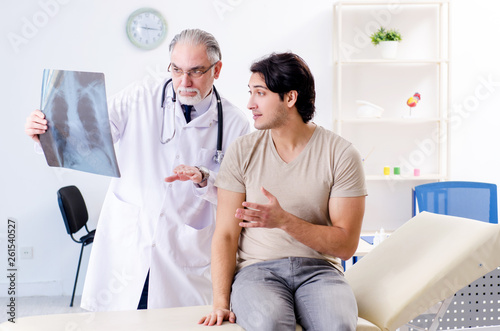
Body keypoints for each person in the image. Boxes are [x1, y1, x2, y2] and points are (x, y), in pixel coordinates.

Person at [24, 29, 251, 311]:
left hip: (186, 246)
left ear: (217, 70)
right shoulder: (140, 95)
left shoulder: (235, 123)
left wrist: (204, 178)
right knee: (122, 316)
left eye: (196, 71)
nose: (184, 81)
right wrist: (46, 135)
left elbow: (237, 194)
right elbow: (91, 140)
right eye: (176, 69)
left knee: (174, 322)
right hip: (131, 236)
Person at [199, 52, 367, 330]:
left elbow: (346, 245)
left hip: (320, 271)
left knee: (337, 325)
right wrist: (220, 303)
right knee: (270, 323)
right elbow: (226, 234)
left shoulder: (341, 154)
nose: (250, 104)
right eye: (250, 92)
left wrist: (284, 221)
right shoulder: (242, 151)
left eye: (260, 93)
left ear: (290, 98)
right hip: (256, 271)